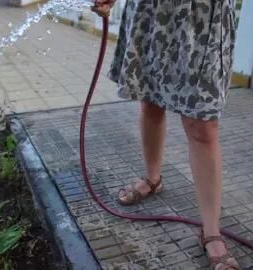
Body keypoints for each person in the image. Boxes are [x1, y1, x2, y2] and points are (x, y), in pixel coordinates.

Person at [91, 0, 239, 269]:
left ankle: (211, 231)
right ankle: (152, 178)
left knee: (202, 126)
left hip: (201, 15)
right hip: (152, 10)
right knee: (150, 103)